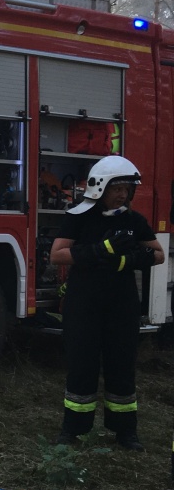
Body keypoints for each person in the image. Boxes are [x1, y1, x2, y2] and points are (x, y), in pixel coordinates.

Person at [50, 155, 164, 451]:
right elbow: (58, 254)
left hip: (122, 305)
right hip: (84, 304)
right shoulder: (79, 217)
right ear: (100, 188)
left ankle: (126, 432)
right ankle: (72, 431)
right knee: (81, 366)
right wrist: (100, 250)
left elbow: (158, 254)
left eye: (127, 189)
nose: (122, 195)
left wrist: (127, 259)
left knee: (122, 366)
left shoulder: (134, 221)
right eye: (117, 189)